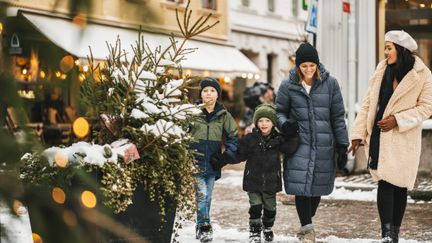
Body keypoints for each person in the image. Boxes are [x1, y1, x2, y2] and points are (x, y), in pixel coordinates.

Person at [348, 30, 432, 243]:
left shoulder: (422, 74)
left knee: (400, 184)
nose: (385, 52)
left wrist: (398, 119)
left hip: (403, 137)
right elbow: (368, 103)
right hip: (379, 134)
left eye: (389, 47)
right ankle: (387, 234)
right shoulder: (381, 69)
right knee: (385, 181)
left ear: (401, 50)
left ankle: (394, 232)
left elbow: (426, 108)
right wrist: (358, 134)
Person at [275, 42, 349, 242]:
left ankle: (307, 221)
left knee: (316, 191)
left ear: (317, 64)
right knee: (301, 188)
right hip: (298, 142)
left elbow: (337, 116)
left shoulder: (330, 83)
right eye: (304, 66)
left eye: (312, 65)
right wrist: (284, 124)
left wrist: (343, 145)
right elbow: (279, 111)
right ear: (297, 66)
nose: (308, 70)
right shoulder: (288, 85)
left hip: (324, 144)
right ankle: (307, 230)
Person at [237, 104, 298, 243]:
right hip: (252, 179)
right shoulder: (250, 139)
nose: (263, 124)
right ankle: (254, 231)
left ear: (273, 123)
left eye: (267, 121)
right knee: (255, 207)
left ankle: (268, 227)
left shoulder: (278, 139)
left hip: (271, 181)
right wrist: (222, 159)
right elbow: (238, 153)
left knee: (270, 209)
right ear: (256, 122)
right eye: (260, 121)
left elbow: (290, 148)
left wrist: (293, 134)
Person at [189, 77, 238, 243]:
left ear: (218, 95)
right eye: (205, 90)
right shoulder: (192, 112)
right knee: (201, 195)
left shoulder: (224, 115)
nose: (208, 93)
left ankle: (201, 225)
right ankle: (204, 226)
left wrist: (225, 157)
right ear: (201, 94)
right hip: (194, 161)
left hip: (213, 162)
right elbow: (181, 134)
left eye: (212, 90)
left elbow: (233, 137)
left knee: (207, 196)